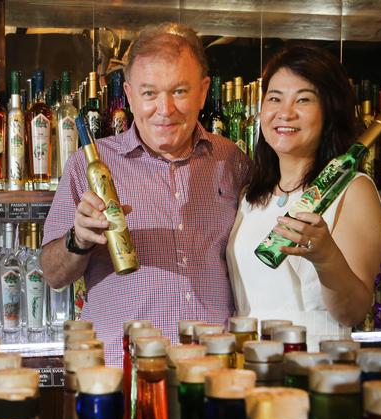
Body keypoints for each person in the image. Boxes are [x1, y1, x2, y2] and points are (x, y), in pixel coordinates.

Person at [41, 23, 249, 366]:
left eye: (179, 91)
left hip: (212, 369)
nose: (165, 109)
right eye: (150, 93)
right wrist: (78, 239)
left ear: (203, 91)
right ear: (130, 95)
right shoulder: (89, 164)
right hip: (124, 367)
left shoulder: (233, 161)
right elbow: (52, 274)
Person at [227, 45, 381, 350]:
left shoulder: (353, 189)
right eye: (274, 98)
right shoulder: (251, 194)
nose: (285, 112)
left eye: (303, 99)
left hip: (314, 361)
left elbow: (352, 311)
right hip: (250, 359)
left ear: (329, 111)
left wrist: (326, 255)